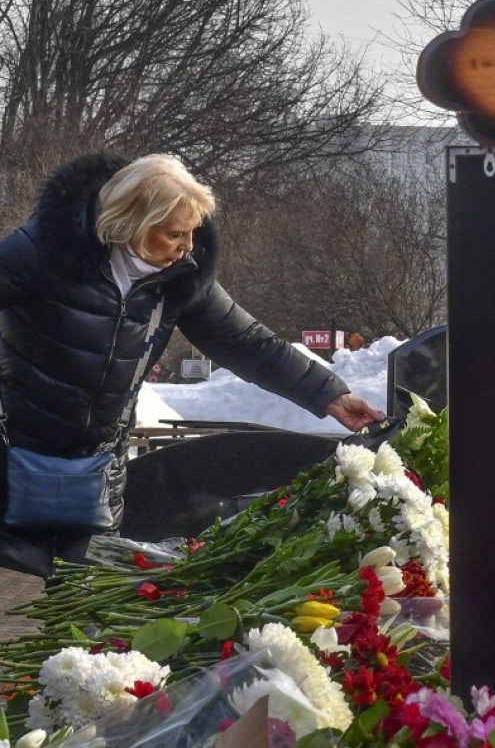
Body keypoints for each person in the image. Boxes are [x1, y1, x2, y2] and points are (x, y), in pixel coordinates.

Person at [0, 152, 384, 576]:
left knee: (79, 593)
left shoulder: (183, 274)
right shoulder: (40, 250)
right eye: (175, 234)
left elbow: (247, 342)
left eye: (194, 232)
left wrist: (330, 395)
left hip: (97, 470)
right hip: (16, 451)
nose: (188, 246)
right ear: (132, 223)